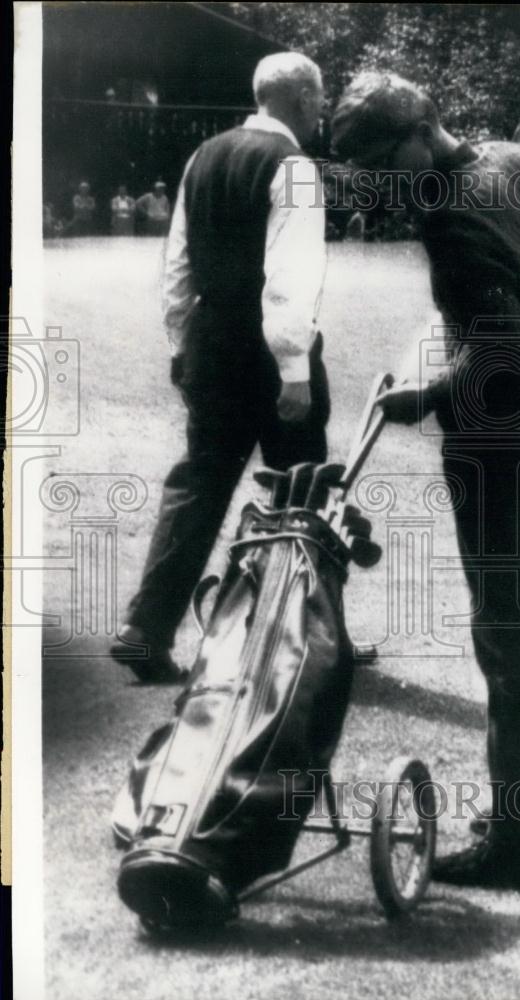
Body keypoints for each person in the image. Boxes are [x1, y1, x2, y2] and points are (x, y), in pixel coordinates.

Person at [332, 72, 520, 892]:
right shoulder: (515, 158)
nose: (377, 183)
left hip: (505, 450)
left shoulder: (455, 217)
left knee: (507, 635)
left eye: (382, 161)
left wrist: (424, 394)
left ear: (423, 130)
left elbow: (510, 355)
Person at [111, 52, 329, 682]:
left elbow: (177, 266)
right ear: (301, 98)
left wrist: (183, 343)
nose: (321, 110)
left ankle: (144, 628)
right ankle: (300, 640)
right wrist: (293, 370)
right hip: (268, 356)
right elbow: (291, 279)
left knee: (198, 487)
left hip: (211, 346)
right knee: (300, 494)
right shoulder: (296, 168)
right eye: (318, 99)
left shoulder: (201, 157)